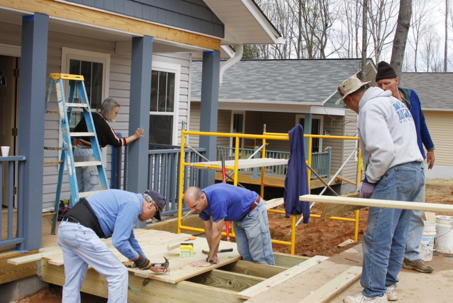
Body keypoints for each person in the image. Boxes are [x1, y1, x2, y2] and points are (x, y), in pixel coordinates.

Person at [336, 75, 424, 303]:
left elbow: (383, 151)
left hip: (393, 174)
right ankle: (388, 286)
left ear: (349, 100)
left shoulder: (370, 108)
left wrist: (370, 180)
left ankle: (373, 294)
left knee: (377, 238)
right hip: (414, 172)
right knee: (397, 235)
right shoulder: (394, 102)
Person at [375, 61, 435, 274]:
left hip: (416, 161)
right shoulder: (383, 104)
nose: (384, 88)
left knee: (415, 211)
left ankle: (411, 256)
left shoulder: (411, 97)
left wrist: (430, 147)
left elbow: (422, 122)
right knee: (392, 216)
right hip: (395, 166)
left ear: (396, 81)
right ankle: (391, 258)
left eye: (387, 83)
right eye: (380, 84)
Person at [57, 189, 166, 303]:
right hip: (80, 231)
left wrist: (147, 264)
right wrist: (138, 259)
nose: (151, 218)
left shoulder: (130, 199)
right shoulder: (133, 205)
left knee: (72, 283)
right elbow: (119, 242)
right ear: (151, 205)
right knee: (119, 274)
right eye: (154, 214)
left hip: (66, 228)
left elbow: (130, 239)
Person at [184, 183, 275, 266]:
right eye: (190, 208)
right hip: (238, 216)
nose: (192, 211)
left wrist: (209, 260)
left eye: (194, 206)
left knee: (260, 254)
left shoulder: (217, 201)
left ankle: (271, 280)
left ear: (203, 197)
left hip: (253, 211)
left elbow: (217, 234)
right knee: (244, 253)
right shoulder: (201, 205)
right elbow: (208, 230)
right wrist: (213, 254)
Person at [73, 98, 144, 192]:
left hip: (78, 151)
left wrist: (76, 147)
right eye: (115, 113)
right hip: (91, 153)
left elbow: (75, 133)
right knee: (92, 187)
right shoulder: (103, 124)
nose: (116, 115)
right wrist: (135, 136)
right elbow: (118, 142)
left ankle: (74, 206)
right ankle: (89, 207)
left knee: (78, 186)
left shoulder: (90, 116)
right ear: (109, 111)